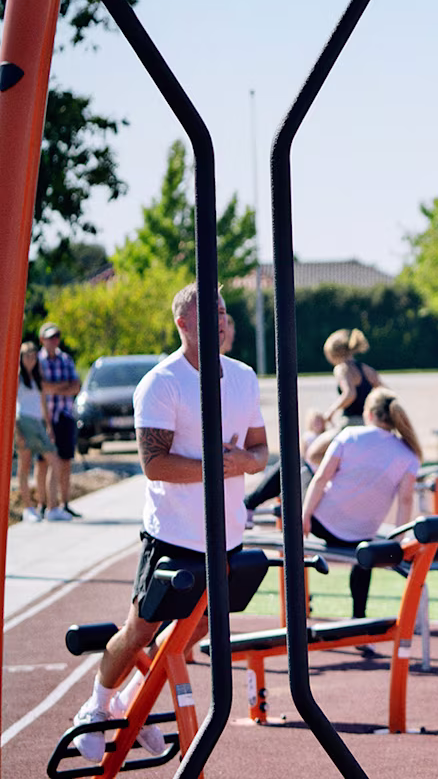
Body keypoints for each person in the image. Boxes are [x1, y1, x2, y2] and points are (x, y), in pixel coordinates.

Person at [70, 285, 267, 762]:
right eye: (208, 313)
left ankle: (128, 703)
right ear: (183, 323)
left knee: (194, 633)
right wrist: (217, 467)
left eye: (223, 311)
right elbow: (154, 463)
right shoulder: (162, 383)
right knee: (141, 629)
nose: (219, 320)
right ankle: (95, 708)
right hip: (173, 535)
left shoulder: (242, 377)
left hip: (227, 537)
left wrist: (244, 460)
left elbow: (260, 452)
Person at [302, 389, 421, 630]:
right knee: (362, 556)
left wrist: (304, 516)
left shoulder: (350, 435)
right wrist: (396, 542)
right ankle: (359, 616)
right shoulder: (409, 454)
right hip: (362, 534)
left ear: (368, 414)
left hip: (321, 524)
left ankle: (250, 505)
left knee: (297, 466)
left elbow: (321, 478)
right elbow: (405, 501)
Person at [307, 329, 383, 466]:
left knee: (313, 454)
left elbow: (350, 394)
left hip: (350, 424)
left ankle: (344, 473)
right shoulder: (366, 369)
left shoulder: (341, 368)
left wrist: (330, 412)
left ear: (332, 354)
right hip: (369, 424)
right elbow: (384, 391)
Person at [36, 322, 81, 521]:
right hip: (44, 417)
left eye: (56, 337)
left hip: (64, 415)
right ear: (42, 340)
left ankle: (64, 503)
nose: (54, 341)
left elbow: (76, 386)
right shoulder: (37, 361)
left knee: (65, 461)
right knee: (43, 462)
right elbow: (41, 387)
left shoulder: (66, 359)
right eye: (50, 337)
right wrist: (63, 387)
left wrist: (55, 388)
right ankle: (43, 504)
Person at [14, 343, 53, 522]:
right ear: (21, 358)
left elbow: (43, 404)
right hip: (23, 422)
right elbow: (12, 405)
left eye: (33, 355)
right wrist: (16, 433)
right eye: (26, 355)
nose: (30, 359)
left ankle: (48, 505)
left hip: (37, 423)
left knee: (53, 460)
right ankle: (28, 507)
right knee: (24, 466)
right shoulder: (18, 378)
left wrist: (48, 426)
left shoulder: (37, 378)